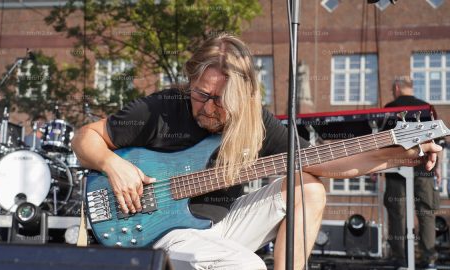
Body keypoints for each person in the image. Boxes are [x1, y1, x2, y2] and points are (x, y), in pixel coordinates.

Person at [72, 35, 442, 270]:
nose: (207, 107)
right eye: (201, 94)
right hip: (163, 231)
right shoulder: (162, 106)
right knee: (247, 267)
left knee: (308, 186)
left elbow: (324, 163)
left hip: (224, 227)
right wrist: (111, 163)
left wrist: (396, 153)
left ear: (245, 96)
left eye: (221, 100)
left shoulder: (256, 121)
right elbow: (84, 138)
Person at [383, 76, 443, 270]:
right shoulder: (426, 107)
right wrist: (437, 169)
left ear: (397, 88)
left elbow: (381, 140)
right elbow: (436, 140)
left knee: (396, 211)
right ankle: (429, 259)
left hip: (395, 166)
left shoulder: (389, 108)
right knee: (426, 211)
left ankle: (399, 258)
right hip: (423, 165)